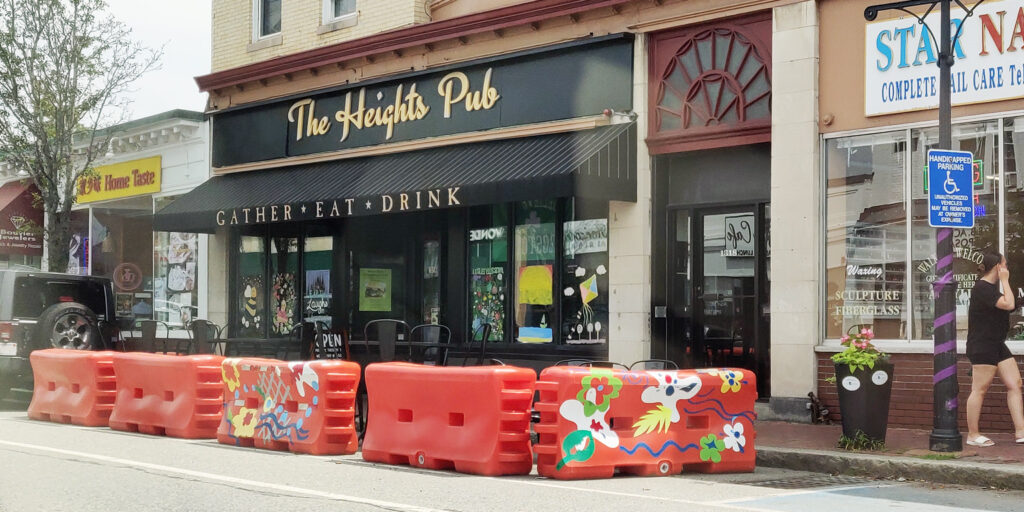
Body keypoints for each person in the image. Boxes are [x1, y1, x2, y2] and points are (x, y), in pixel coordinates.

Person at [966, 252, 1024, 447]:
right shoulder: (982, 288)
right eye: (1005, 265)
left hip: (997, 344)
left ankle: (1021, 431)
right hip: (982, 344)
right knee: (979, 389)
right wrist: (1005, 280)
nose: (1007, 268)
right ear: (998, 266)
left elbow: (1009, 305)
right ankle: (973, 435)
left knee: (1015, 384)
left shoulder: (991, 289)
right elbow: (1008, 304)